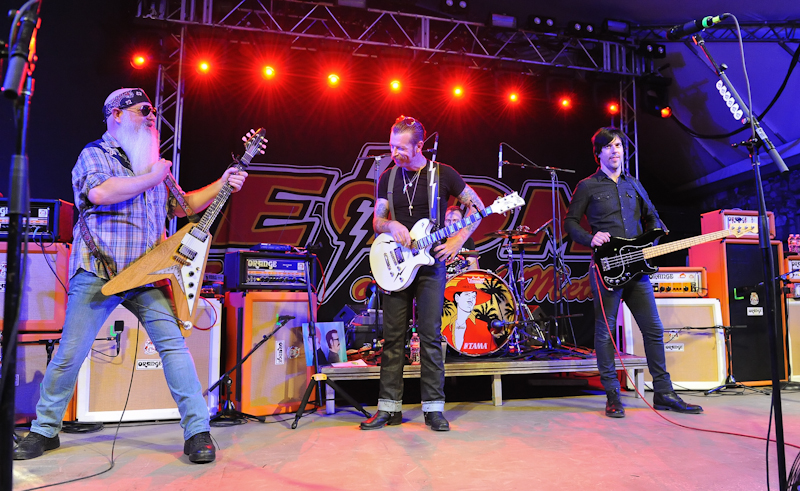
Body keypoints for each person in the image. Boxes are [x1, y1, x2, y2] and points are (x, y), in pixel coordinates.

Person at [12, 88, 248, 463]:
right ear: (116, 115)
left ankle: (198, 432)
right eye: (144, 111)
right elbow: (102, 193)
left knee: (174, 347)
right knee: (71, 352)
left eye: (154, 112)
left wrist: (223, 181)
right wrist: (153, 177)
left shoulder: (151, 162)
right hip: (98, 272)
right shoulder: (96, 155)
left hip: (147, 275)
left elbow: (184, 205)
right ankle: (44, 430)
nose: (152, 117)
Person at [564, 127, 702, 418]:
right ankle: (613, 395)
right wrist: (591, 238)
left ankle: (664, 393)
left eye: (619, 146)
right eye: (609, 147)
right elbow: (571, 224)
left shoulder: (634, 185)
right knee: (605, 333)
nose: (616, 151)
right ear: (598, 153)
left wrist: (654, 235)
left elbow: (652, 217)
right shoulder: (588, 186)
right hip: (606, 269)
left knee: (653, 330)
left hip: (638, 270)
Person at [360, 115, 484, 431]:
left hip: (431, 265)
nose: (395, 153)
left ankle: (433, 408)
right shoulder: (387, 178)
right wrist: (391, 225)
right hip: (397, 265)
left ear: (419, 146)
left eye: (401, 148)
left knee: (430, 336)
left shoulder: (444, 174)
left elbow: (478, 208)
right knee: (393, 339)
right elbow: (377, 222)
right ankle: (389, 408)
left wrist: (457, 240)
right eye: (391, 146)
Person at [444, 205, 480, 276]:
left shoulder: (468, 240)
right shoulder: (438, 241)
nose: (451, 224)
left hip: (461, 280)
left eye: (455, 220)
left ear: (461, 222)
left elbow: (473, 269)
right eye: (448, 220)